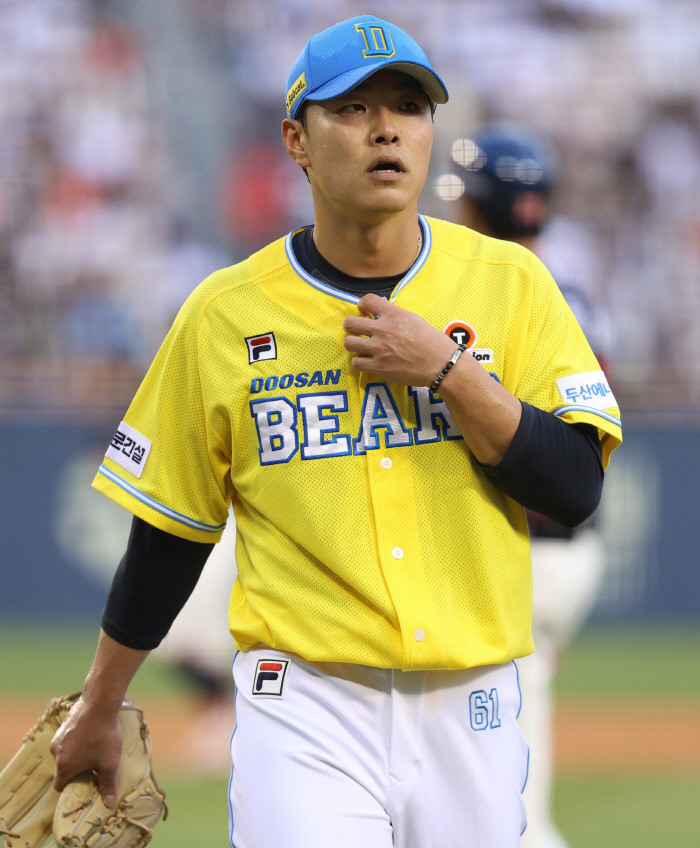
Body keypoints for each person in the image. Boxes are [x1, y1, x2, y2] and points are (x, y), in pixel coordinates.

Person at [49, 17, 621, 848]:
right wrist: (101, 703)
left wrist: (449, 371)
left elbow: (574, 488)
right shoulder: (223, 314)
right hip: (303, 700)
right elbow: (168, 536)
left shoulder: (513, 285)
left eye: (409, 106)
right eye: (351, 109)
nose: (386, 126)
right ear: (297, 140)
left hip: (475, 702)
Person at [451, 123, 613, 848]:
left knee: (498, 788)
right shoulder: (570, 288)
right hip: (570, 550)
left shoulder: (500, 294)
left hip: (520, 545)